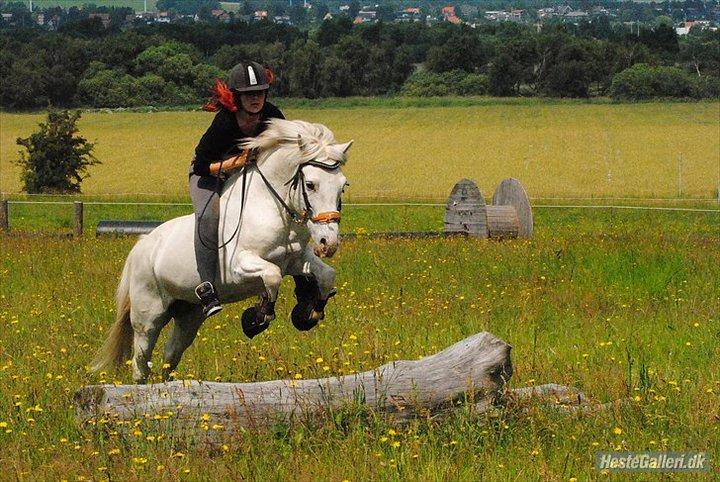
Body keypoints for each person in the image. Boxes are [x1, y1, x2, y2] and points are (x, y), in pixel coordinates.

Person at [190, 60, 284, 318]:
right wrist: (237, 162)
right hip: (210, 175)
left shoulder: (272, 115)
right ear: (236, 97)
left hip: (246, 174)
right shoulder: (224, 123)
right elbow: (200, 165)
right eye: (249, 94)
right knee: (209, 216)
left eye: (260, 93)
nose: (256, 99)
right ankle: (207, 288)